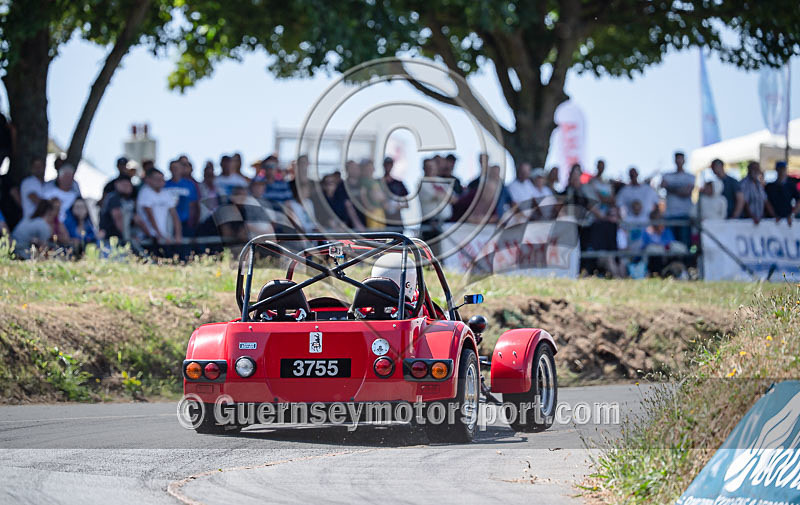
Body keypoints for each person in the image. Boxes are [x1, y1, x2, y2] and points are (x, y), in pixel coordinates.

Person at [136, 168, 181, 245]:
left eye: (162, 179)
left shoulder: (166, 193)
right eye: (156, 179)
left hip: (164, 237)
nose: (160, 181)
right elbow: (149, 215)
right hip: (149, 237)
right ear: (148, 180)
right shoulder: (145, 192)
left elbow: (174, 215)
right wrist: (159, 235)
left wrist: (178, 235)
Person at [660, 151, 695, 247]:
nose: (679, 161)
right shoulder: (667, 175)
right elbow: (663, 185)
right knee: (670, 244)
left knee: (684, 244)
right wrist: (680, 189)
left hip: (685, 214)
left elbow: (686, 192)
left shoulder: (690, 176)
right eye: (677, 159)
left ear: (684, 160)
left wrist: (670, 188)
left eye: (681, 159)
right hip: (670, 215)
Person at [165, 159, 199, 236]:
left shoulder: (190, 185)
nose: (175, 170)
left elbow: (193, 204)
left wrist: (192, 221)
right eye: (173, 168)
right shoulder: (164, 185)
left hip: (185, 221)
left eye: (177, 168)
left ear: (181, 169)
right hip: (168, 222)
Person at [99, 176, 136, 244]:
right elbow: (118, 217)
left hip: (118, 238)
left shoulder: (128, 199)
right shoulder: (114, 197)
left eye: (129, 185)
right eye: (124, 185)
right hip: (113, 239)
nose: (127, 187)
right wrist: (127, 239)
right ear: (116, 184)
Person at [381, 156, 409, 227]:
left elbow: (406, 204)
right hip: (382, 219)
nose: (388, 167)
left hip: (396, 220)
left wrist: (395, 206)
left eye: (390, 164)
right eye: (386, 164)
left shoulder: (399, 183)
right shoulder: (378, 182)